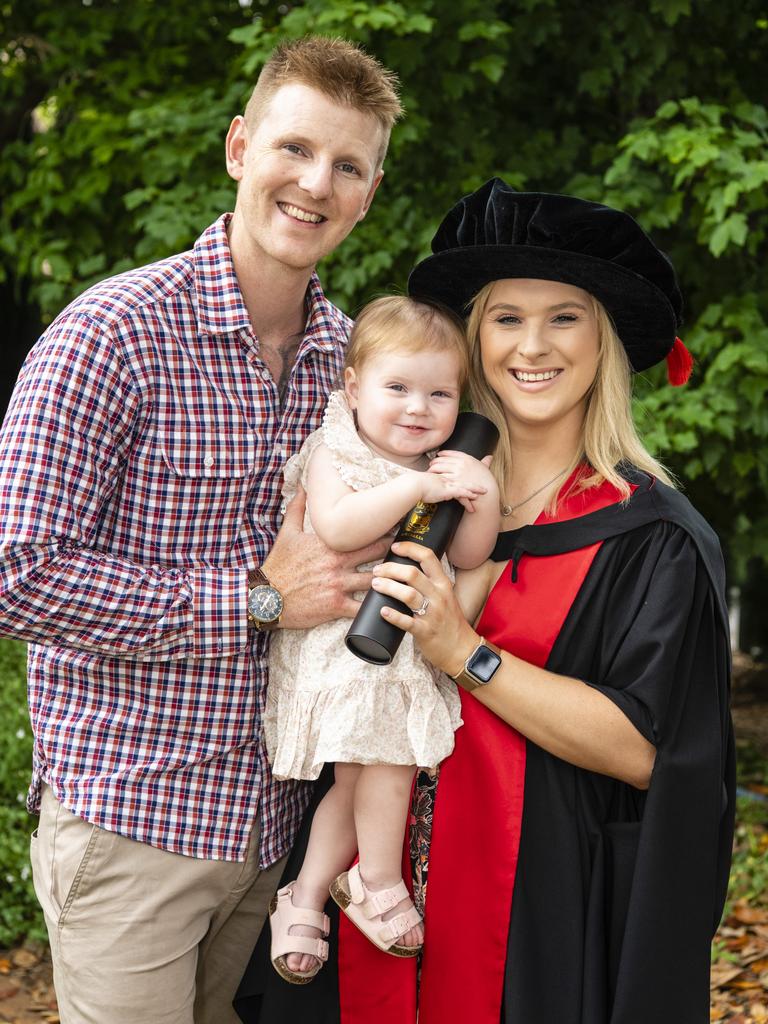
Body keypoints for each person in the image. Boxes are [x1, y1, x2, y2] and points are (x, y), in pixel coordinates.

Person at [235, 180, 735, 1024]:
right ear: (473, 339)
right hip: (364, 900)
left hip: (534, 923)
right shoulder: (409, 495)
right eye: (506, 318)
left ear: (604, 342)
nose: (531, 346)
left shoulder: (650, 536)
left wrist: (462, 650)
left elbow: (652, 751)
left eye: (564, 317)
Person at [0, 35, 402, 1024]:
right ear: (237, 148)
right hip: (132, 824)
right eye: (294, 149)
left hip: (277, 836)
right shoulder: (112, 333)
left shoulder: (353, 367)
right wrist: (258, 599)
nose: (316, 183)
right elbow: (14, 573)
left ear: (371, 192)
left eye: (347, 165)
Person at [264, 295, 499, 982]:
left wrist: (477, 492)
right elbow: (336, 530)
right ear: (354, 388)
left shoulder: (444, 465)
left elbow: (474, 553)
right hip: (340, 643)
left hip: (398, 646)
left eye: (439, 393)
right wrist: (418, 487)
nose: (418, 408)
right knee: (386, 762)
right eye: (397, 388)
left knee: (362, 773)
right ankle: (377, 878)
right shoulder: (337, 450)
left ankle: (305, 892)